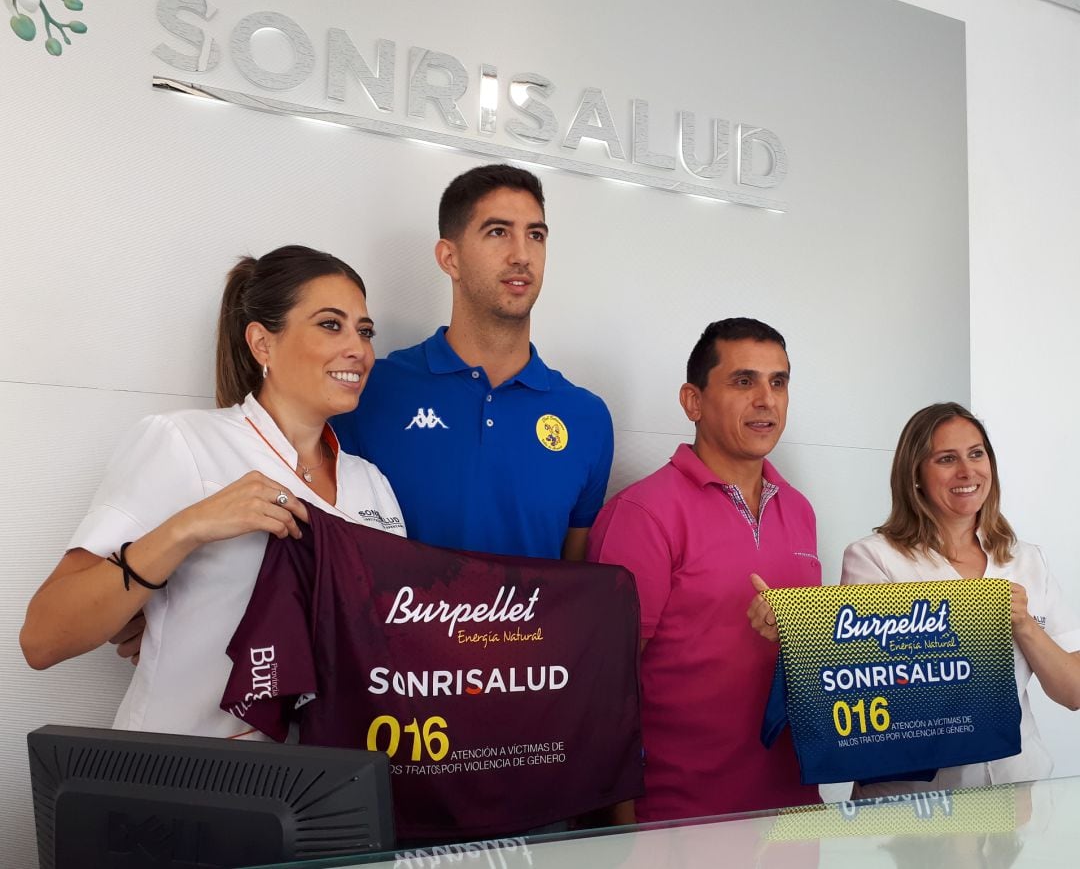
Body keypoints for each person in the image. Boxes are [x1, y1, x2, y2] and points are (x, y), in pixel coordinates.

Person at [20, 245, 405, 737]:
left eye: (365, 331)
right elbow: (43, 638)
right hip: (184, 780)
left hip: (322, 790)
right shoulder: (183, 443)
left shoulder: (372, 485)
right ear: (262, 344)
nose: (360, 349)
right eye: (331, 324)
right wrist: (188, 528)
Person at [586, 318, 821, 822]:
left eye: (778, 382)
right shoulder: (642, 514)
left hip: (793, 813)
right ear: (693, 401)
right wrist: (622, 835)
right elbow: (605, 693)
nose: (767, 399)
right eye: (744, 381)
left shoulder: (799, 510)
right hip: (678, 821)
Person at [331, 164, 613, 561]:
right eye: (498, 232)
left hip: (526, 628)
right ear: (450, 258)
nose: (521, 255)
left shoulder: (587, 417)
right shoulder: (372, 389)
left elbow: (572, 588)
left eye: (535, 235)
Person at [841, 402, 1080, 795]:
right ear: (915, 474)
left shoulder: (1026, 560)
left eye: (976, 454)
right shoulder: (875, 559)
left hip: (1016, 790)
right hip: (915, 801)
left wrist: (1024, 626)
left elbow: (1073, 693)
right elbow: (870, 692)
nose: (967, 472)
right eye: (946, 459)